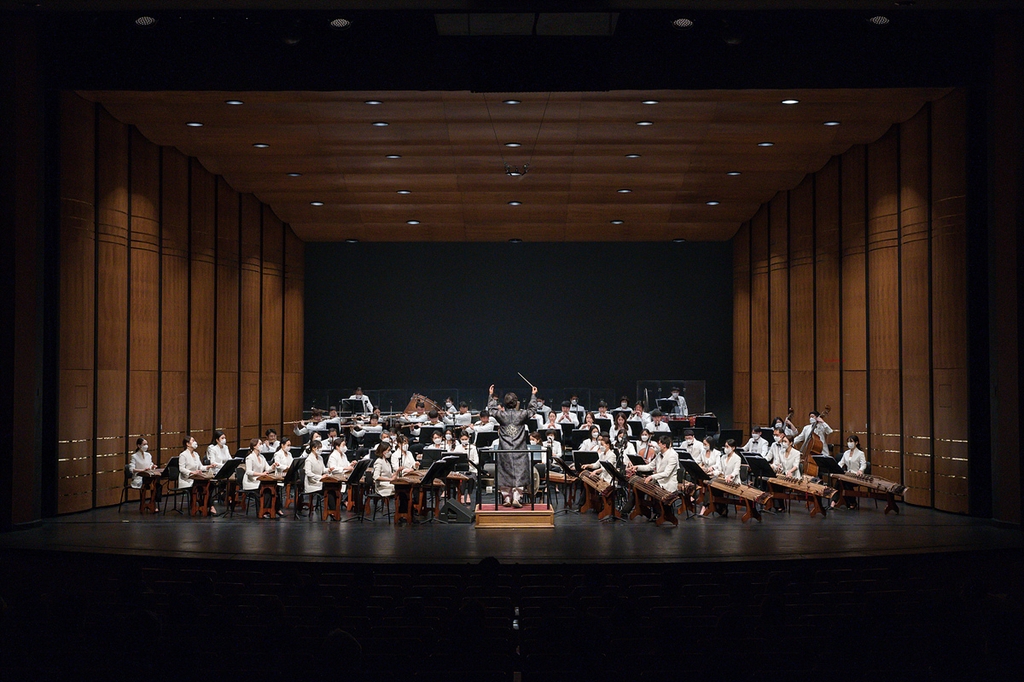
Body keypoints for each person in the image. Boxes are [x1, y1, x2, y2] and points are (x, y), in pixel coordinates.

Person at [486, 383, 538, 508]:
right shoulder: (521, 415)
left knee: (505, 473)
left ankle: (507, 498)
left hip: (505, 449)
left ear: (504, 403)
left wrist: (491, 395)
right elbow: (532, 410)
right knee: (519, 473)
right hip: (519, 449)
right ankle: (516, 498)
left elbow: (492, 410)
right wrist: (533, 395)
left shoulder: (501, 415)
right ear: (516, 403)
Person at [243, 437, 275, 517]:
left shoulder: (262, 457)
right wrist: (261, 474)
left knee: (270, 489)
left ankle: (266, 510)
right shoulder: (250, 457)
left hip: (259, 480)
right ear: (254, 446)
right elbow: (248, 472)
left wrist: (273, 466)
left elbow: (267, 469)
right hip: (251, 481)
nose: (262, 446)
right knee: (262, 490)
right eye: (260, 444)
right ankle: (260, 511)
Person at [128, 437, 160, 503]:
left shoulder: (148, 455)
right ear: (139, 445)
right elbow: (131, 469)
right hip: (139, 477)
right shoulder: (134, 456)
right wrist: (142, 470)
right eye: (144, 444)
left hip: (148, 476)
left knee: (157, 485)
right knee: (149, 484)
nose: (146, 446)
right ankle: (145, 504)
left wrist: (153, 466)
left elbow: (150, 465)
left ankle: (153, 503)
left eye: (146, 444)